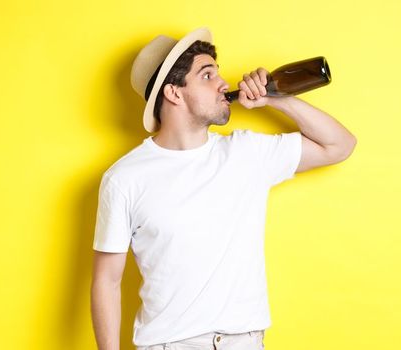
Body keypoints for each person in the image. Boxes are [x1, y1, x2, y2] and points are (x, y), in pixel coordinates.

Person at [90, 27, 356, 350]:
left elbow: (340, 144)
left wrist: (276, 98)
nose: (223, 84)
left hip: (244, 342)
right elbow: (107, 281)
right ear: (174, 93)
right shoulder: (124, 179)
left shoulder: (246, 153)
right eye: (207, 75)